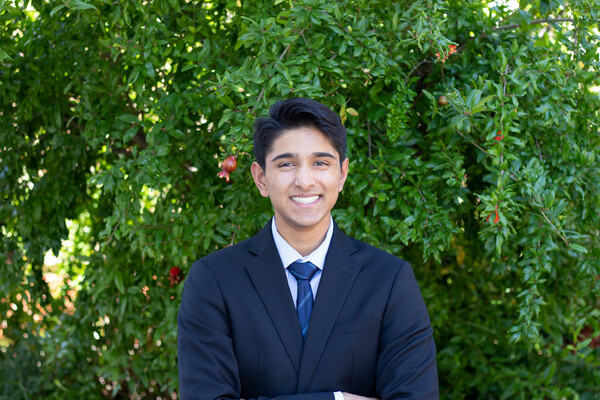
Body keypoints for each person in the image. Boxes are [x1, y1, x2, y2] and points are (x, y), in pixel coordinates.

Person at [177, 98, 439, 400]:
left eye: (320, 163)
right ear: (261, 178)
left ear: (341, 175)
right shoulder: (215, 280)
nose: (304, 180)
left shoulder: (389, 279)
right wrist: (336, 399)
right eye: (287, 164)